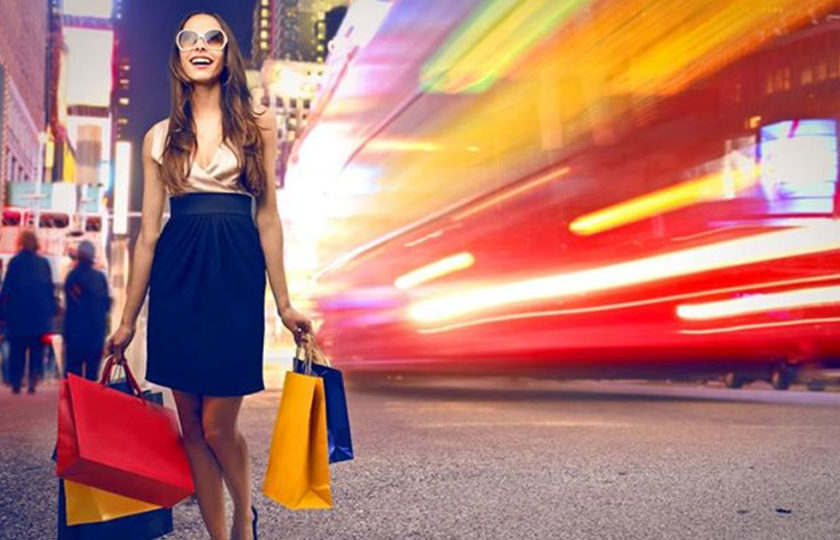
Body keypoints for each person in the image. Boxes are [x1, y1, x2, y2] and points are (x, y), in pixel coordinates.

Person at [105, 11, 312, 540]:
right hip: (178, 272)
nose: (200, 46)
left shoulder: (257, 122)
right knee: (191, 427)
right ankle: (221, 536)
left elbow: (267, 216)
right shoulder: (158, 138)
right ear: (178, 55)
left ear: (226, 53)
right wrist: (127, 321)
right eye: (188, 38)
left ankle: (244, 518)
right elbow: (148, 234)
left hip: (234, 268)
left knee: (220, 425)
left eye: (212, 38)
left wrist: (285, 303)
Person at [0, 229, 57, 394]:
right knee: (36, 351)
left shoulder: (15, 262)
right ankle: (33, 379)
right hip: (38, 318)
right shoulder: (43, 263)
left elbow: (6, 290)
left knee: (16, 351)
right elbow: (49, 290)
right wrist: (51, 312)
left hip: (17, 316)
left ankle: (16, 382)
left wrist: (2, 313)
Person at [63, 240, 112, 380]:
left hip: (75, 335)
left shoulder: (72, 277)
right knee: (92, 377)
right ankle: (87, 402)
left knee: (73, 376)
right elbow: (107, 305)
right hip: (95, 335)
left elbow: (70, 305)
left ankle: (74, 401)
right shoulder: (100, 278)